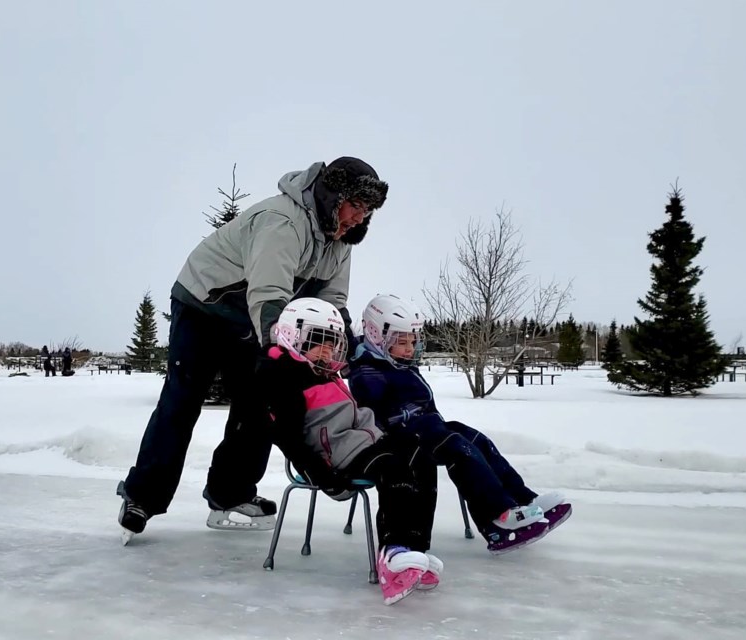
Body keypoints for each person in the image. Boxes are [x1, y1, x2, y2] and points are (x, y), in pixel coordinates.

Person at [118, 157, 390, 537]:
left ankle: (229, 493)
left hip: (249, 316)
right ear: (333, 196)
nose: (360, 218)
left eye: (368, 211)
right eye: (356, 206)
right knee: (183, 400)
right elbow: (269, 294)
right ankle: (142, 496)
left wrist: (336, 350)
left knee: (262, 403)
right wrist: (281, 353)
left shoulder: (340, 240)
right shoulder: (283, 222)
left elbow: (332, 301)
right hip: (206, 304)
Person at [348, 294, 572, 555]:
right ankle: (498, 519)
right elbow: (378, 416)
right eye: (401, 341)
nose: (410, 347)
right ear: (377, 336)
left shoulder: (398, 363)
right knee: (457, 448)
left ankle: (523, 500)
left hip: (428, 427)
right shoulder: (367, 371)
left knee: (475, 439)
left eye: (413, 340)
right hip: (403, 439)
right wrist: (408, 416)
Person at [259, 298, 440, 605]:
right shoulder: (283, 376)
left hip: (363, 442)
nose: (327, 351)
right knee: (392, 468)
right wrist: (321, 474)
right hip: (336, 457)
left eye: (332, 344)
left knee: (421, 458)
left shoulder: (322, 371)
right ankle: (393, 552)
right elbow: (286, 436)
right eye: (319, 343)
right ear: (293, 336)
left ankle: (415, 549)